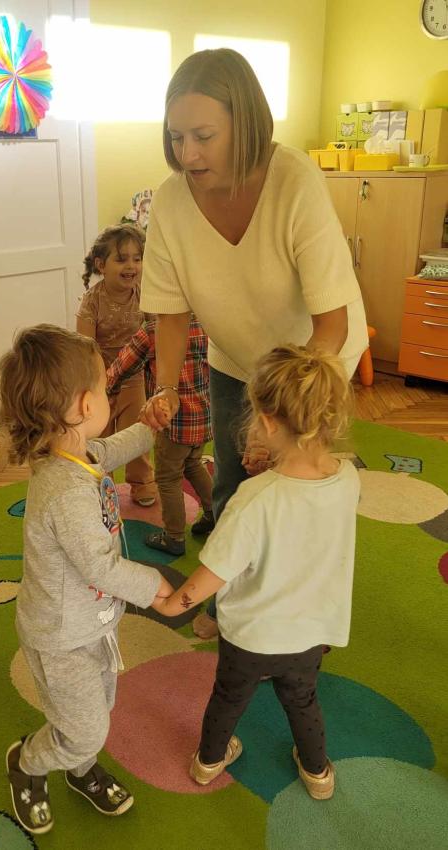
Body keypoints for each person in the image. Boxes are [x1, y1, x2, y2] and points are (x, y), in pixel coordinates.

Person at [139, 48, 367, 640]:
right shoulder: (170, 201)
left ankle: (301, 620)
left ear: (245, 125)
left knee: (297, 489)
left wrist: (284, 416)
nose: (187, 154)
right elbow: (169, 313)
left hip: (313, 364)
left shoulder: (295, 181)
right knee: (237, 486)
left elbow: (332, 325)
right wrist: (166, 389)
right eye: (176, 137)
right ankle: (232, 607)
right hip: (236, 359)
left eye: (204, 136)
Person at [152, 344, 359, 800]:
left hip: (250, 637)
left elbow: (215, 571)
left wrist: (173, 603)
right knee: (303, 700)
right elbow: (307, 519)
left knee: (228, 698)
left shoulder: (254, 498)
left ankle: (208, 762)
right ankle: (318, 772)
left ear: (266, 422)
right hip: (309, 633)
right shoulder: (349, 479)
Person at [0, 324, 170, 835]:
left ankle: (79, 762)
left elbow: (110, 449)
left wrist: (148, 427)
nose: (108, 393)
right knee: (86, 725)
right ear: (81, 405)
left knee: (96, 708)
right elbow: (99, 567)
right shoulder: (66, 492)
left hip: (89, 621)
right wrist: (156, 588)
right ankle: (28, 762)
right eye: (103, 384)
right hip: (60, 637)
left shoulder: (76, 453)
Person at [106, 314, 214, 556]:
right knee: (193, 464)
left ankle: (174, 537)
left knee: (167, 478)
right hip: (203, 418)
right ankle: (213, 513)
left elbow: (123, 364)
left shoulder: (153, 329)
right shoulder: (203, 323)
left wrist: (106, 388)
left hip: (172, 422)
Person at [77, 224, 158, 507]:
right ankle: (102, 486)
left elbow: (157, 331)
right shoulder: (92, 301)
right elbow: (86, 348)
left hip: (134, 379)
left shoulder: (145, 294)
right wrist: (98, 383)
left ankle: (142, 482)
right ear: (101, 265)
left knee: (137, 433)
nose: (131, 266)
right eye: (122, 259)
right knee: (100, 436)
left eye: (137, 258)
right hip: (99, 381)